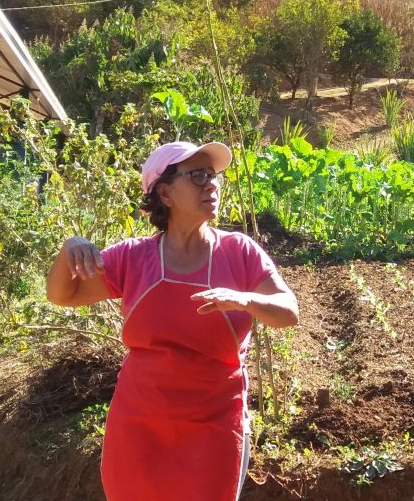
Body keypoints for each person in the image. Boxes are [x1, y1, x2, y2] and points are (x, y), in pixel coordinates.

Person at [46, 140, 299, 501]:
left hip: (214, 425)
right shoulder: (133, 258)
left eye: (213, 177)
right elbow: (62, 295)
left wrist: (245, 299)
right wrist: (68, 249)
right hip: (139, 425)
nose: (211, 184)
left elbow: (289, 311)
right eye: (197, 176)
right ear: (165, 193)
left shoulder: (239, 252)